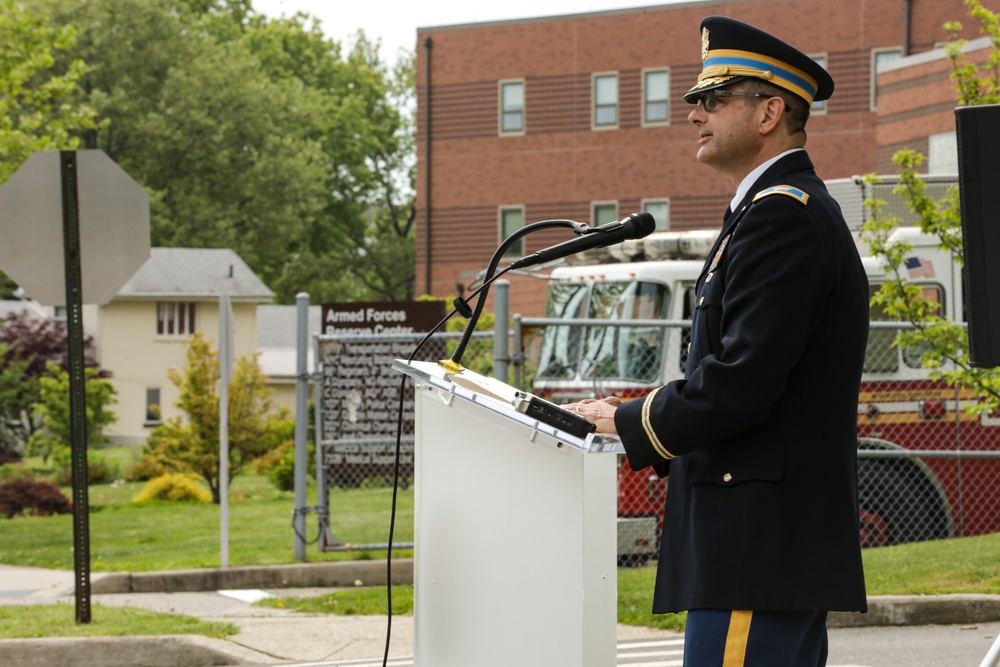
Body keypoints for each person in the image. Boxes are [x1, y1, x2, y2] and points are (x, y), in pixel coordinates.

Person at [569, 15, 870, 667]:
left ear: (769, 112)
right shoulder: (767, 212)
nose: (694, 115)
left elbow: (741, 381)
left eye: (713, 99)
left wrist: (627, 421)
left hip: (754, 547)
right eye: (695, 101)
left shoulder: (782, 218)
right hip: (760, 547)